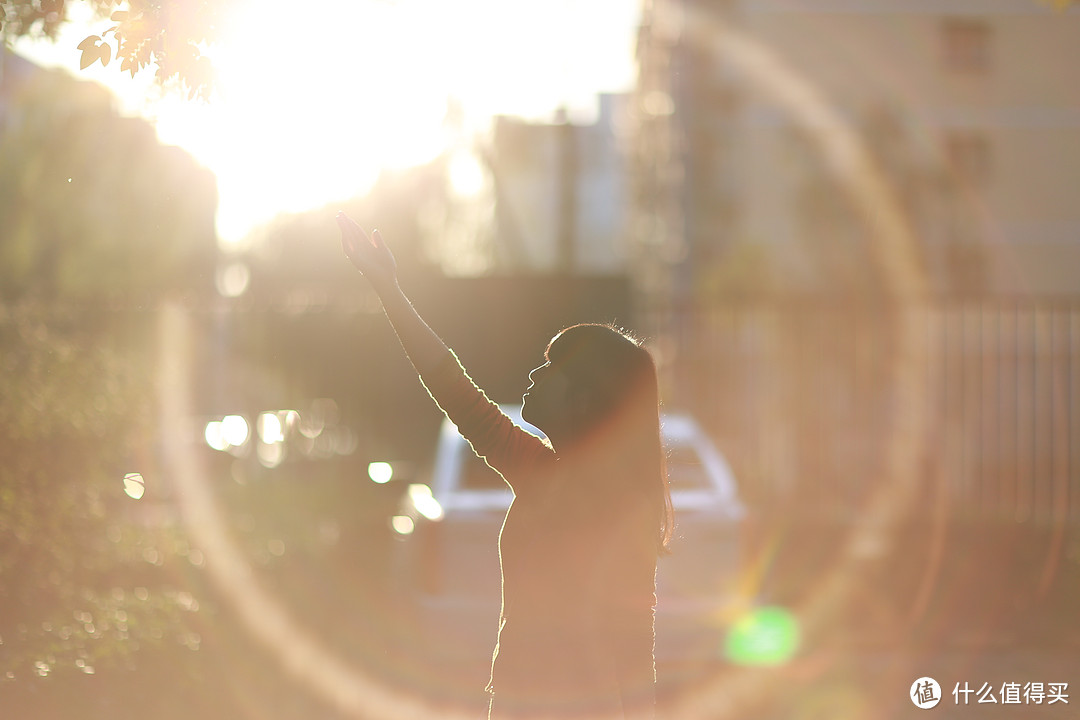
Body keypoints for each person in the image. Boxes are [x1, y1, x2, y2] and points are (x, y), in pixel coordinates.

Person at [336, 212, 674, 719]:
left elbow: (633, 656)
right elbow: (455, 390)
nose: (536, 372)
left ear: (585, 399)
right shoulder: (545, 473)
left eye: (554, 366)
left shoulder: (618, 506)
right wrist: (389, 289)